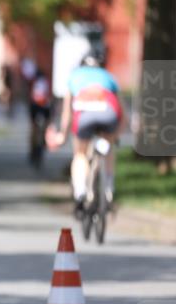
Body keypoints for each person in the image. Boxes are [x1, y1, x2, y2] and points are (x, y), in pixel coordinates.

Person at [47, 49, 122, 210]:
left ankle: (80, 190)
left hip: (84, 115)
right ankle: (109, 186)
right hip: (108, 112)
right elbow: (121, 111)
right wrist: (116, 134)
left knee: (80, 154)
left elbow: (67, 112)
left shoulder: (74, 77)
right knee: (109, 148)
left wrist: (63, 134)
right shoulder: (109, 77)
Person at [27, 65, 52, 164]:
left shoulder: (34, 81)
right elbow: (49, 95)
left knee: (33, 127)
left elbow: (30, 95)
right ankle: (43, 139)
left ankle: (32, 146)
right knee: (46, 124)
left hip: (35, 106)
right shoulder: (46, 81)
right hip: (45, 106)